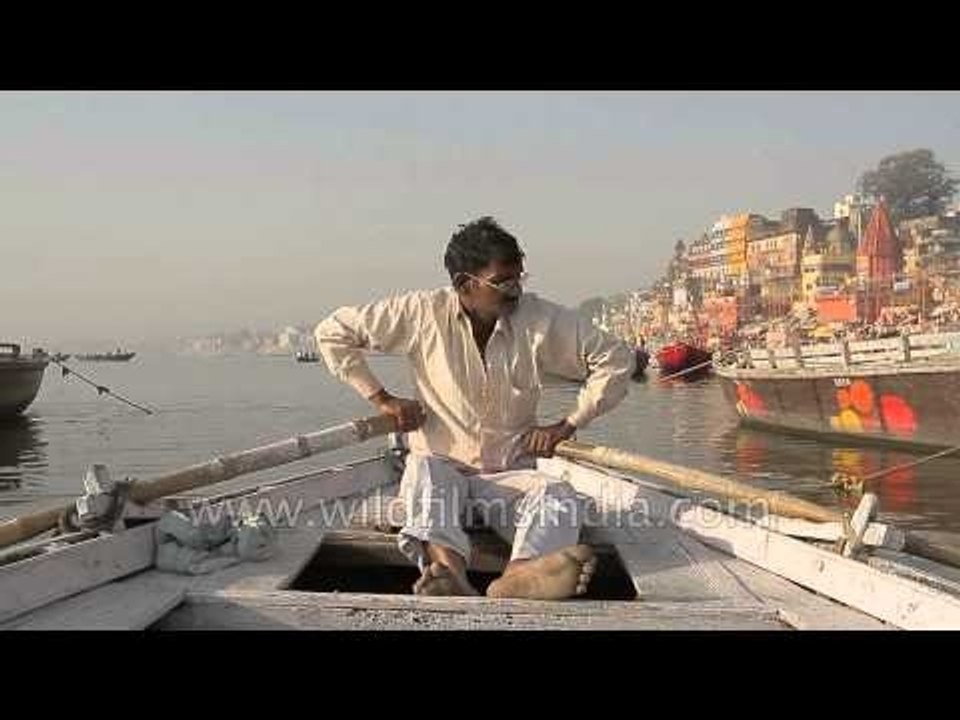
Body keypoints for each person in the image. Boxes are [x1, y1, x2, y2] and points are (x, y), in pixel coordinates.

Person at [315, 217, 634, 599]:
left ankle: (519, 578)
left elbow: (616, 359)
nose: (515, 290)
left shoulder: (540, 320)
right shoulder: (421, 312)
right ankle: (451, 576)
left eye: (519, 277)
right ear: (465, 284)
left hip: (508, 473)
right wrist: (382, 399)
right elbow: (332, 333)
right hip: (441, 466)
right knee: (423, 473)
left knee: (559, 495)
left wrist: (567, 425)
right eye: (503, 281)